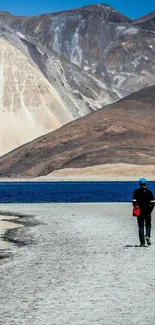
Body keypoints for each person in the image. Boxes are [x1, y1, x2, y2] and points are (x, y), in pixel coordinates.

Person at [132, 178, 155, 247]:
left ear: (139, 184)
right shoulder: (149, 192)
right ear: (145, 184)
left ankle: (142, 243)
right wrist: (150, 211)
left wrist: (136, 208)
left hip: (139, 212)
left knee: (141, 227)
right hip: (147, 211)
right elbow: (153, 202)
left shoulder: (136, 192)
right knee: (148, 225)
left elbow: (134, 202)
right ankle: (147, 235)